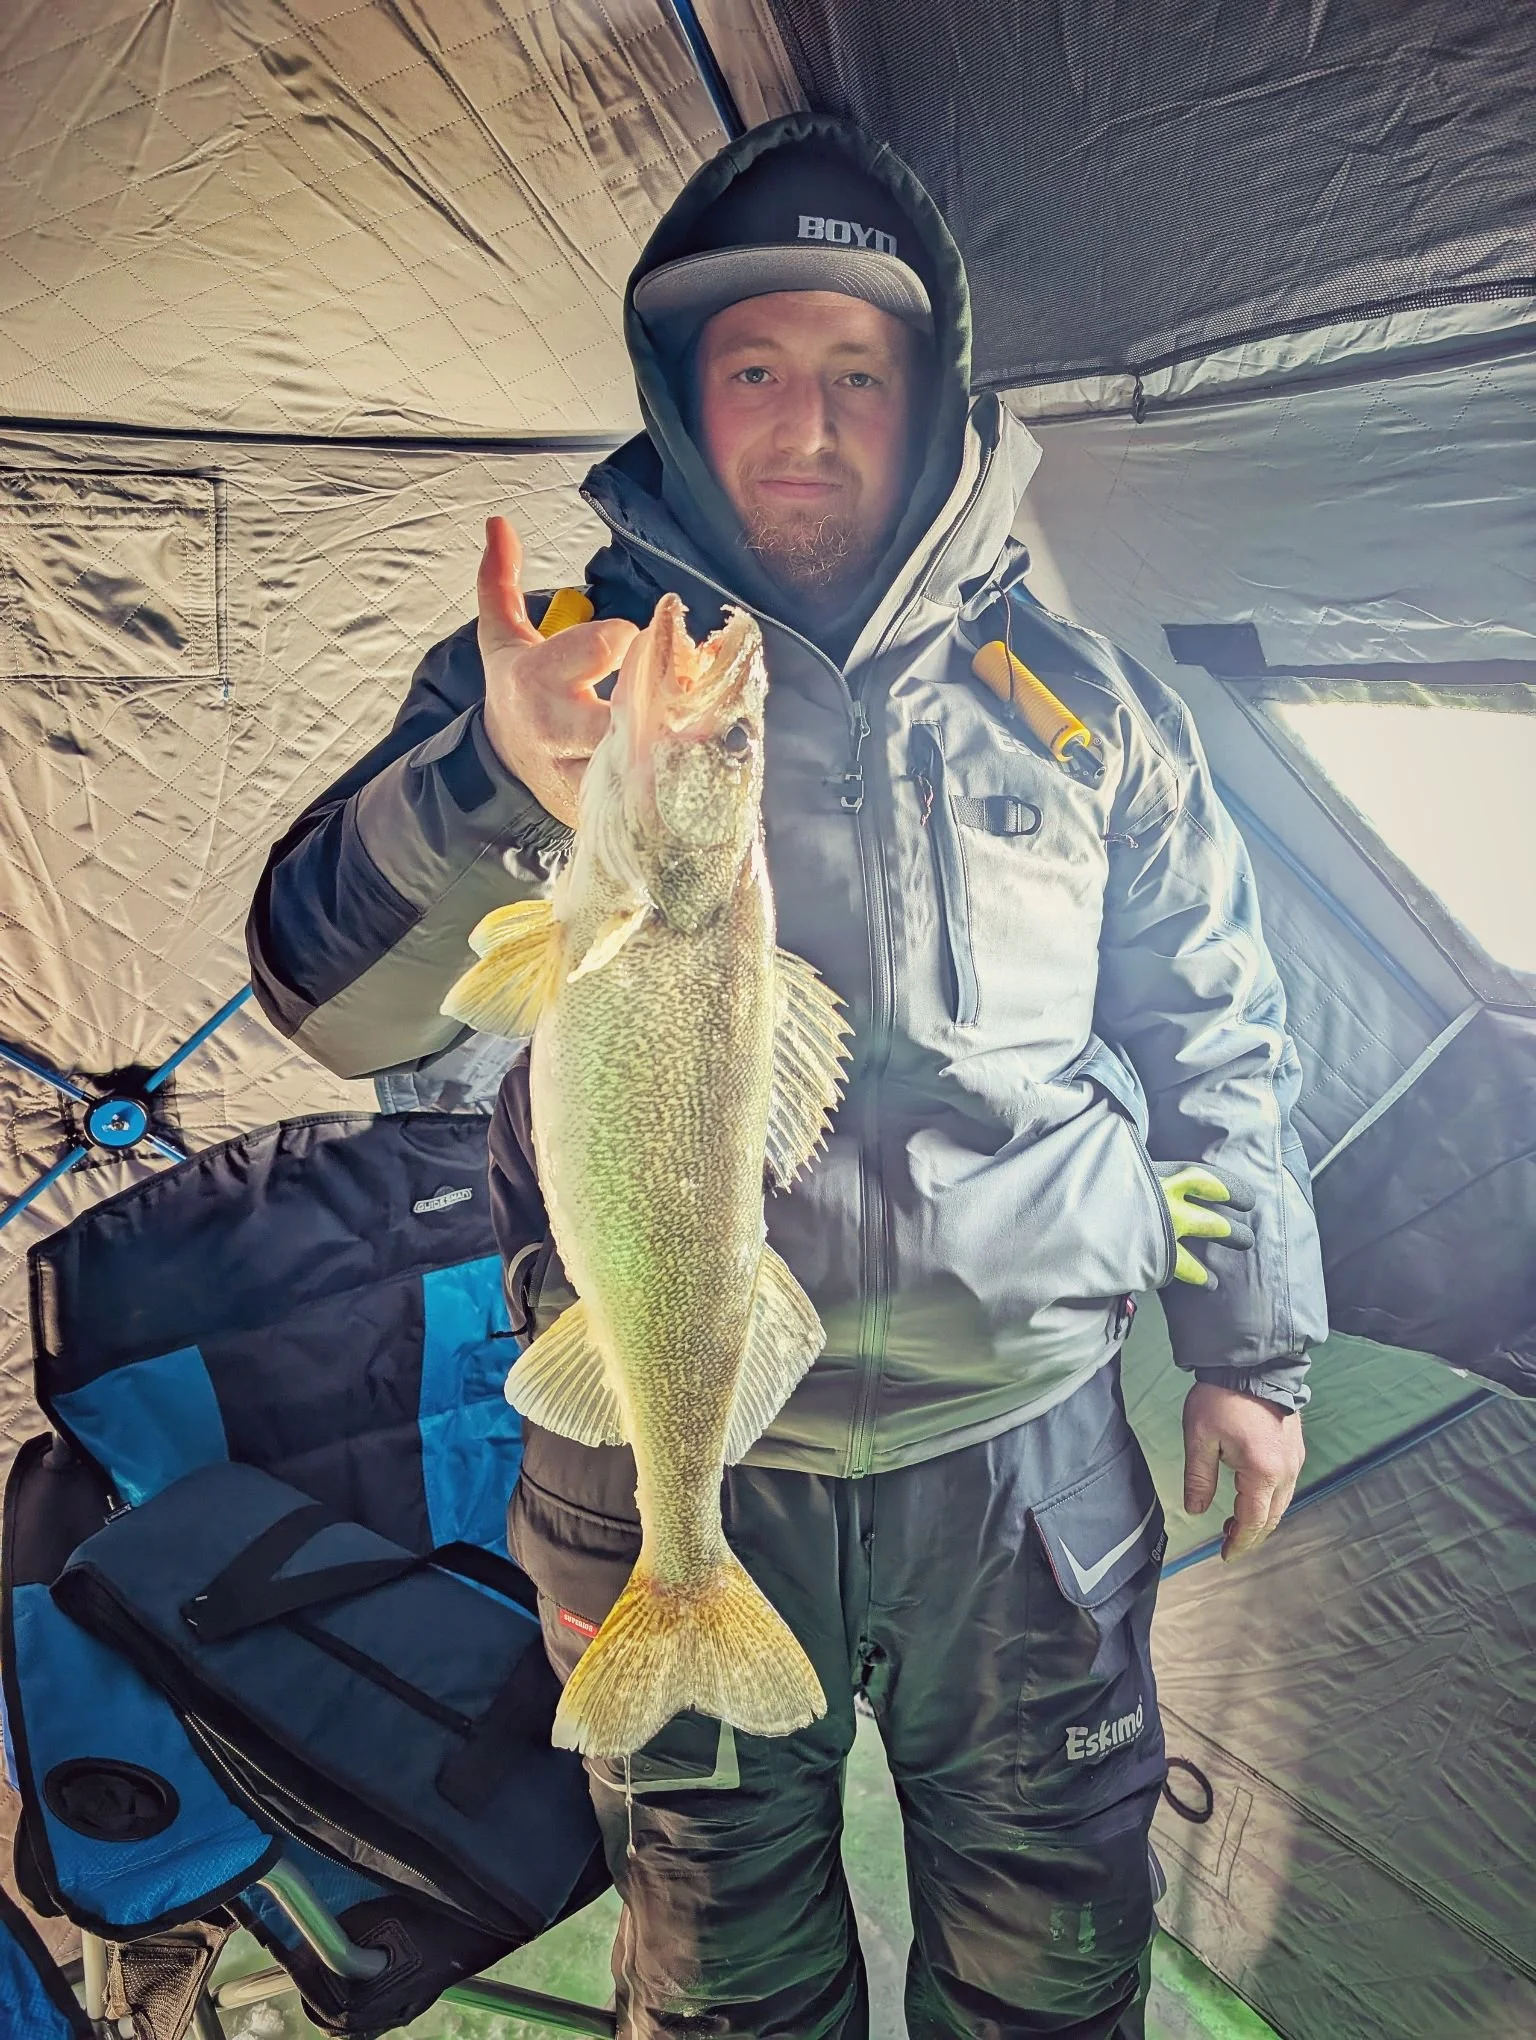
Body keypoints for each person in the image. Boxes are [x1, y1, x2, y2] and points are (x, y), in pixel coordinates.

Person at [248, 113, 1325, 2040]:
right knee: (719, 1974)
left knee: (1057, 1949)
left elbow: (1220, 1028)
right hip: (667, 1462)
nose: (805, 425)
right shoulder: (551, 688)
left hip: (1029, 1473)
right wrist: (492, 783)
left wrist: (1253, 1350)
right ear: (683, 395)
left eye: (855, 372)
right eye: (755, 370)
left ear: (932, 399)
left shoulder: (1088, 710)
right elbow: (338, 1011)